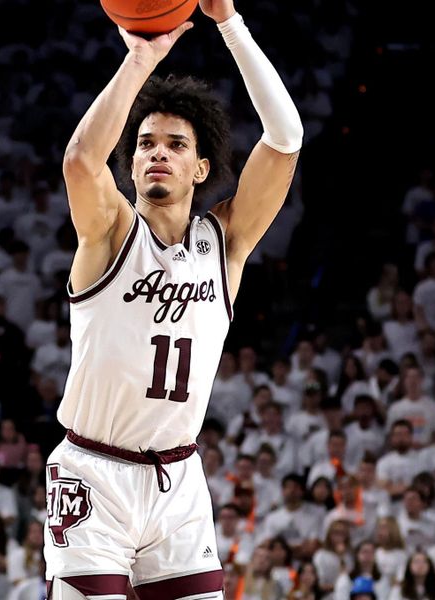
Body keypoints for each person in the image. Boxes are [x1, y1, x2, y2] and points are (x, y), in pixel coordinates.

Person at [44, 0, 303, 596]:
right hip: (92, 474)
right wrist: (139, 59)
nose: (158, 152)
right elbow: (82, 161)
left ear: (200, 166)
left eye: (176, 145)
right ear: (132, 165)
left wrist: (229, 23)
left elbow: (286, 136)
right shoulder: (109, 231)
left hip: (178, 478)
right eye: (145, 144)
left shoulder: (226, 243)